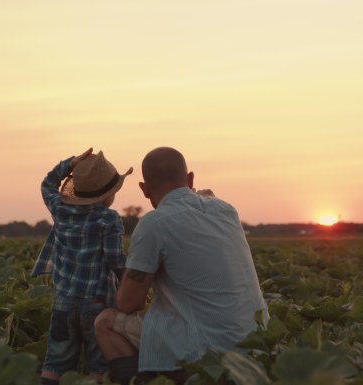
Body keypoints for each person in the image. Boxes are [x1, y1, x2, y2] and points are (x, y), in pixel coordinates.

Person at [94, 147, 269, 384]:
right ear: (190, 179)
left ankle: (143, 380)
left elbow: (128, 303)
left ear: (144, 189)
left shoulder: (154, 223)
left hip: (209, 357)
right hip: (256, 350)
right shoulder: (227, 210)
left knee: (105, 322)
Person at [32, 148, 133, 385]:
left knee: (55, 362)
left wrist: (70, 164)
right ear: (109, 194)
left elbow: (47, 184)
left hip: (63, 300)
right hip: (97, 302)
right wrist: (131, 284)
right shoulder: (108, 219)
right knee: (98, 363)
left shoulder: (61, 210)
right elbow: (115, 260)